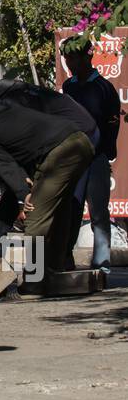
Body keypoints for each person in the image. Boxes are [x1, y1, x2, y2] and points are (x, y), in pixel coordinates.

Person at [0, 95, 94, 287]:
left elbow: (4, 164)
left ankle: (34, 280)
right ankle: (57, 271)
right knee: (60, 210)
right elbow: (22, 146)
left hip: (59, 152)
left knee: (35, 217)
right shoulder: (0, 111)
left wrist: (24, 194)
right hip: (81, 141)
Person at [61, 40, 122, 274]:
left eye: (73, 58)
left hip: (96, 159)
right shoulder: (68, 87)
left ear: (87, 58)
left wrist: (105, 150)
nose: (69, 63)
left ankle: (102, 264)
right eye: (66, 59)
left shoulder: (104, 88)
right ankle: (65, 258)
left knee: (98, 212)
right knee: (72, 210)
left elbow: (113, 123)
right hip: (74, 160)